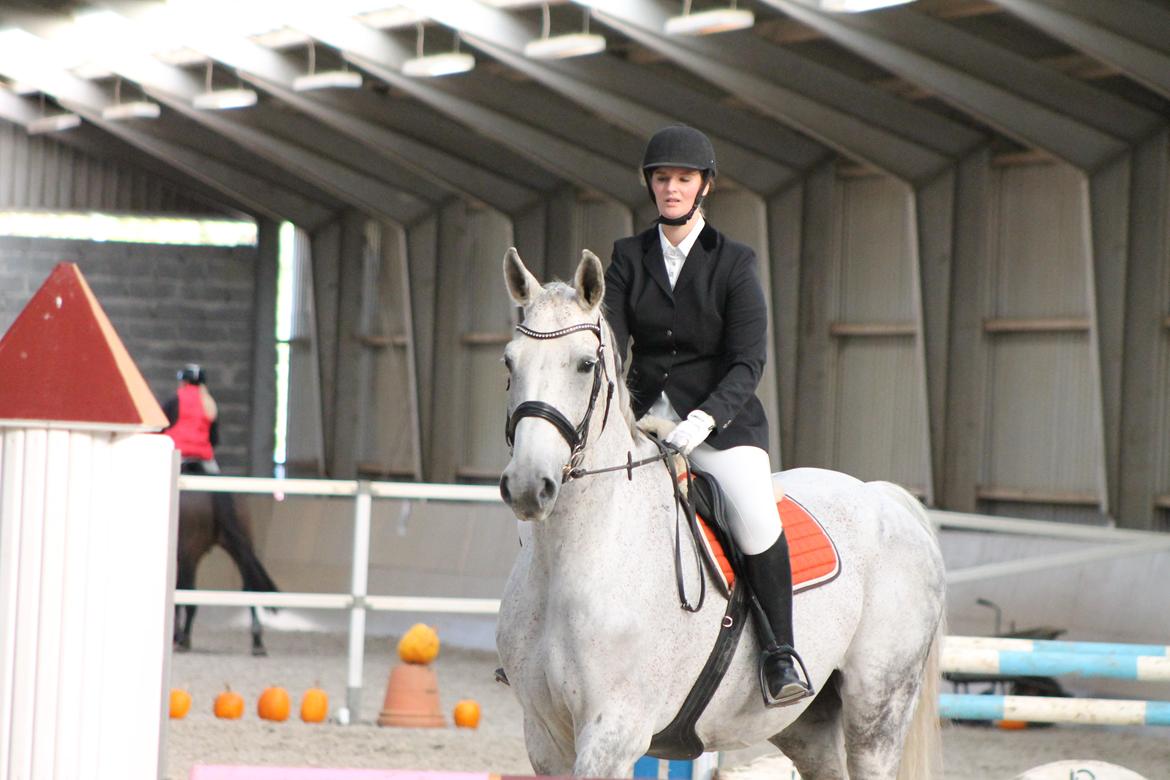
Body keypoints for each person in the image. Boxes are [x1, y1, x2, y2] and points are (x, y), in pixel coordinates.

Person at [603, 125, 814, 707]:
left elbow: (749, 361)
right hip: (644, 422)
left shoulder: (735, 263)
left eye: (683, 179)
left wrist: (705, 419)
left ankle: (780, 655)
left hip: (720, 424)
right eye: (662, 178)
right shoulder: (626, 258)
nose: (671, 188)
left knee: (752, 514)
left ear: (704, 187)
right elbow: (609, 341)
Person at [162, 363, 221, 475]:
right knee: (218, 484)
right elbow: (214, 438)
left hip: (177, 453)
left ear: (184, 381)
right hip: (202, 456)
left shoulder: (175, 400)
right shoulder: (209, 403)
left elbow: (161, 426)